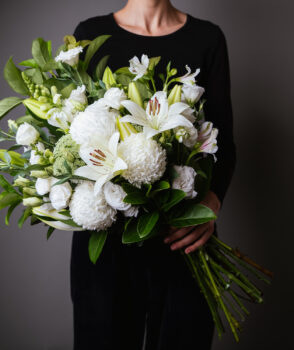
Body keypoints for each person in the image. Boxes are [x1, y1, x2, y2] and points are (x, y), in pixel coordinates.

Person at [70, 1, 236, 349]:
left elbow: (223, 143)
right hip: (107, 243)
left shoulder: (207, 38)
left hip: (182, 237)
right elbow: (73, 137)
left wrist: (210, 203)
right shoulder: (89, 35)